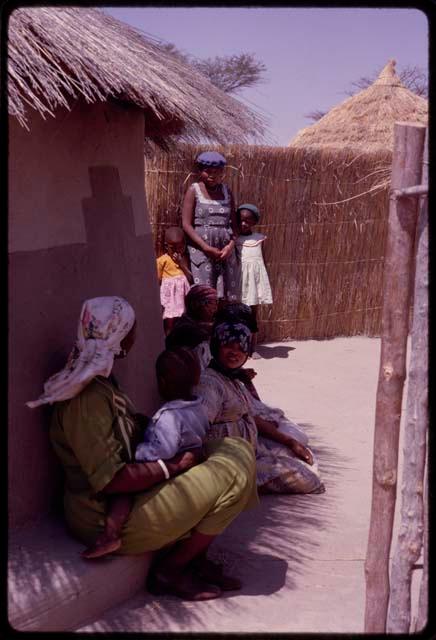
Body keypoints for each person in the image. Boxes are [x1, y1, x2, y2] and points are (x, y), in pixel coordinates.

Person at [27, 297, 258, 600]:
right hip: (102, 516)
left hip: (131, 493)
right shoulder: (85, 402)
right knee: (233, 475)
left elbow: (127, 431)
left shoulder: (101, 384)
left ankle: (195, 559)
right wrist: (173, 466)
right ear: (118, 336)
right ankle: (171, 570)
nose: (134, 335)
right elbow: (111, 480)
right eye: (130, 329)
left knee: (234, 449)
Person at [81, 347, 209, 560]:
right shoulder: (198, 408)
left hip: (170, 468)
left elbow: (163, 450)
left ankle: (111, 534)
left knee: (124, 490)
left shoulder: (168, 416)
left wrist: (138, 451)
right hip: (189, 463)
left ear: (162, 382)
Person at [194, 321, 325, 494]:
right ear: (216, 346)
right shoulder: (210, 384)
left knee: (304, 456)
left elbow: (250, 417)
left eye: (241, 348)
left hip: (250, 450)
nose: (235, 352)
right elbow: (198, 428)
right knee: (311, 481)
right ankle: (241, 486)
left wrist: (290, 442)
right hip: (230, 462)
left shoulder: (233, 380)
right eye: (228, 346)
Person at [181, 151, 240, 302]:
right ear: (200, 171)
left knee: (225, 297)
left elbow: (234, 225)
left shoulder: (227, 192)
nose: (212, 175)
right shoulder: (194, 190)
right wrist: (206, 247)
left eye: (217, 172)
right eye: (208, 171)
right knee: (204, 297)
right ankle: (205, 326)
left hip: (224, 253)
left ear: (222, 173)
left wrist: (230, 247)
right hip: (202, 251)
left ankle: (223, 325)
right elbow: (186, 225)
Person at [235, 204, 272, 359]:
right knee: (237, 314)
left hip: (254, 283)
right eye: (241, 220)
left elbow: (262, 261)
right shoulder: (234, 239)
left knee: (252, 314)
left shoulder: (259, 239)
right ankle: (238, 346)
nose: (244, 224)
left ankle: (252, 347)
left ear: (254, 222)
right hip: (239, 280)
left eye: (248, 221)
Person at [156, 226, 193, 335]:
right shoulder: (162, 260)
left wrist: (182, 264)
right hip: (170, 297)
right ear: (166, 247)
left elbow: (190, 278)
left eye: (180, 247)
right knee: (169, 320)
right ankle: (168, 338)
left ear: (185, 245)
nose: (177, 251)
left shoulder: (185, 259)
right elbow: (158, 281)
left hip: (182, 296)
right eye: (173, 248)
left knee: (183, 319)